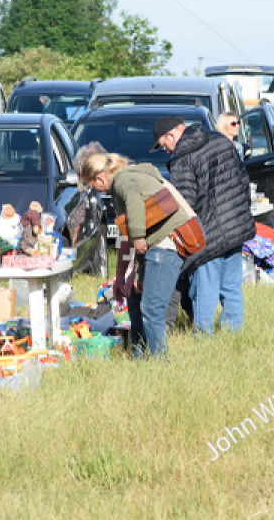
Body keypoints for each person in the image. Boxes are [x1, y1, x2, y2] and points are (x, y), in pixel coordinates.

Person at [80, 152, 197, 358]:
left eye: (91, 185)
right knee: (143, 302)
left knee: (152, 311)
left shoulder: (122, 182)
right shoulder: (128, 178)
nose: (94, 190)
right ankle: (141, 358)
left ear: (100, 178)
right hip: (160, 246)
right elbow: (129, 236)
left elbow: (134, 206)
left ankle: (159, 363)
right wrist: (134, 275)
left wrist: (138, 236)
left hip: (165, 246)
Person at [154, 115, 254, 333]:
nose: (168, 151)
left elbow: (185, 205)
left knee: (205, 288)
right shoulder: (220, 140)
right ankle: (233, 334)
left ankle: (203, 336)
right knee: (231, 287)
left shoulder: (182, 159)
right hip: (236, 225)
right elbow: (244, 180)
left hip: (208, 234)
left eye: (164, 146)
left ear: (171, 135)